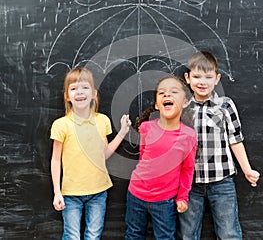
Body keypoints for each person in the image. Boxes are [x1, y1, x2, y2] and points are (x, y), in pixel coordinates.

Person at [177, 51, 260, 240]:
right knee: (187, 234)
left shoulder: (225, 105)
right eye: (197, 76)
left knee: (228, 232)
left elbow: (235, 139)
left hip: (222, 181)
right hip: (190, 183)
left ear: (217, 79)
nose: (202, 82)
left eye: (208, 77)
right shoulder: (182, 107)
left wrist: (247, 170)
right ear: (188, 78)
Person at [50, 67, 131, 240]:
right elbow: (55, 160)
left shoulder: (102, 121)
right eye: (73, 89)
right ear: (67, 96)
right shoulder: (61, 124)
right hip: (71, 193)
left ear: (93, 93)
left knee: (94, 235)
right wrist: (57, 191)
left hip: (99, 191)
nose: (79, 92)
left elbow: (104, 154)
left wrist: (123, 132)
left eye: (85, 88)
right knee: (72, 236)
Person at [125, 75, 197, 240]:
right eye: (162, 93)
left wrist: (183, 197)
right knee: (133, 234)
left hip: (165, 201)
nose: (167, 95)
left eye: (174, 92)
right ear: (157, 104)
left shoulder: (189, 136)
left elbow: (187, 169)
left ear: (185, 102)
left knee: (164, 237)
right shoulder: (146, 128)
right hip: (136, 194)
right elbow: (143, 158)